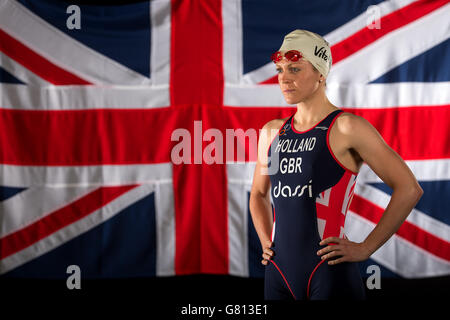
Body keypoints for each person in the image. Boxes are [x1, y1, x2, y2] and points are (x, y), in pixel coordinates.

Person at [249, 29, 423, 300]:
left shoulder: (346, 127)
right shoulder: (272, 132)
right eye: (280, 69)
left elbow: (409, 188)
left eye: (295, 69)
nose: (284, 78)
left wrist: (366, 248)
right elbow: (258, 194)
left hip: (329, 273)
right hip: (277, 273)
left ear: (321, 73)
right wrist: (265, 241)